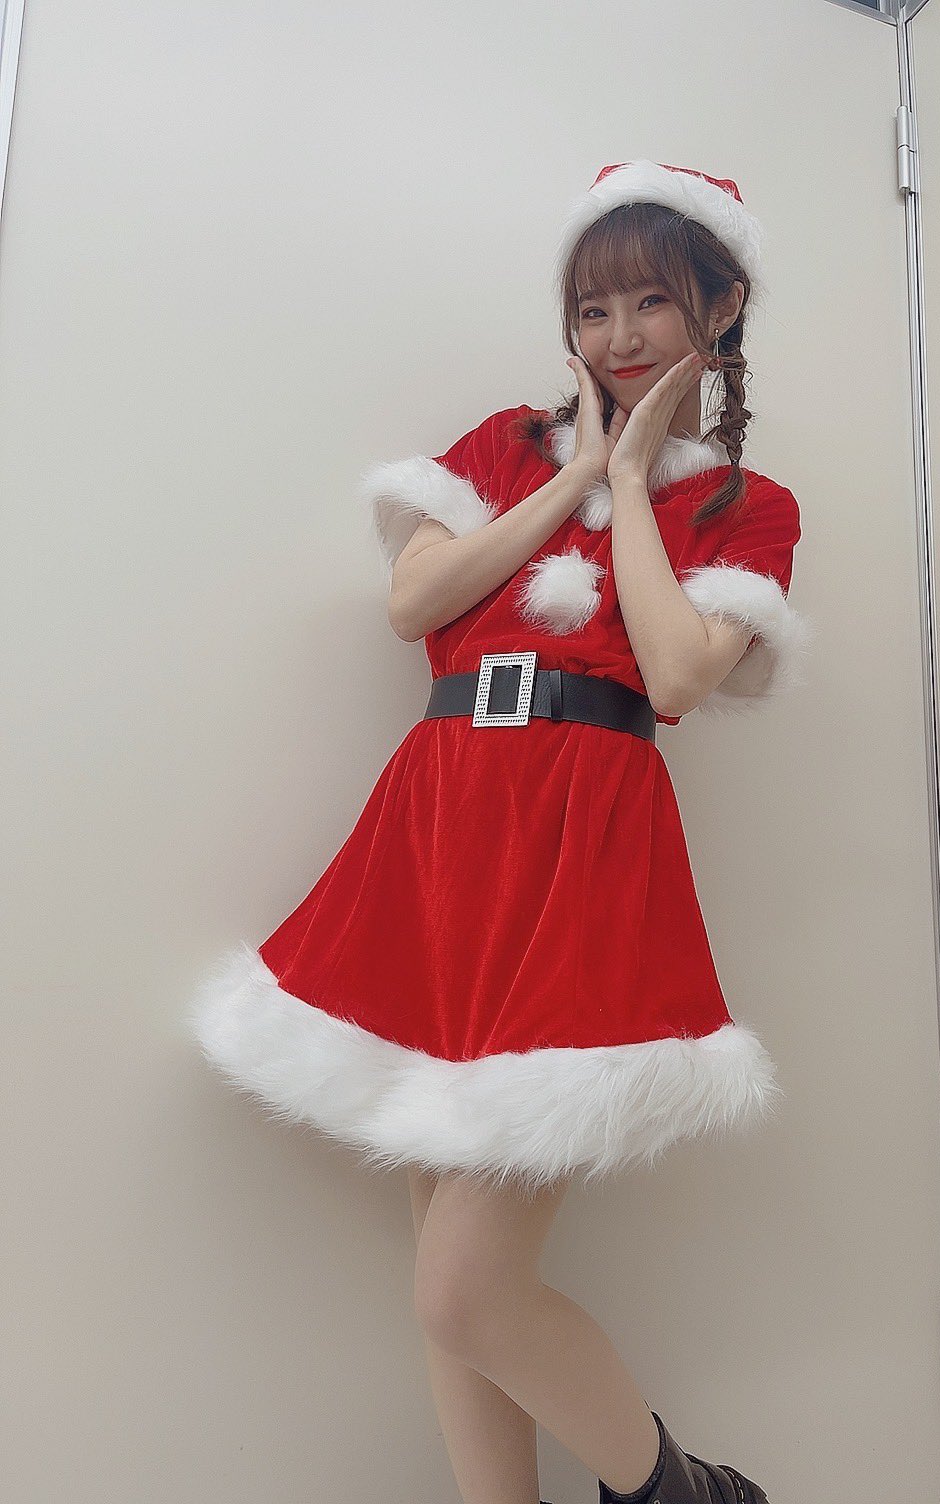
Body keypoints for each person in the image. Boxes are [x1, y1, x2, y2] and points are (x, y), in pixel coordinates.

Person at [187, 158, 810, 1504]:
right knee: (444, 1277)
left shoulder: (745, 507)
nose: (621, 334)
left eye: (652, 301)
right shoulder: (498, 449)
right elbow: (414, 606)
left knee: (465, 1288)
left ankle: (692, 1494)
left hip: (584, 843)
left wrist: (630, 484)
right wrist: (575, 468)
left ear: (722, 306)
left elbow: (679, 673)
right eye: (594, 308)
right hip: (445, 829)